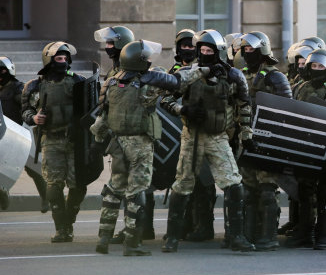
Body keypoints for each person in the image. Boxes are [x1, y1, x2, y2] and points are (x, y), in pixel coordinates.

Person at [160, 29, 255, 253]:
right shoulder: (188, 73)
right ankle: (172, 237)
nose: (204, 54)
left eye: (209, 50)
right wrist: (184, 109)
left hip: (218, 137)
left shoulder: (233, 76)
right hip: (191, 137)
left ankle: (236, 236)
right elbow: (165, 99)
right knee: (183, 185)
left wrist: (246, 134)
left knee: (233, 183)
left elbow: (244, 105)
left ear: (219, 52)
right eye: (201, 50)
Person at [91, 39, 187, 256]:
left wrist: (97, 143)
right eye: (148, 59)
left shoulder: (112, 83)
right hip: (140, 145)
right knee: (137, 192)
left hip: (117, 143)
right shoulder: (149, 84)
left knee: (114, 190)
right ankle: (132, 243)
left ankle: (103, 239)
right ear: (141, 61)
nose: (151, 61)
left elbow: (103, 116)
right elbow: (177, 82)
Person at [21, 42, 87, 242]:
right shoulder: (35, 86)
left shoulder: (80, 82)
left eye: (66, 58)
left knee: (78, 185)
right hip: (51, 140)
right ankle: (61, 228)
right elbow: (25, 111)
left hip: (75, 141)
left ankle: (69, 220)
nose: (64, 61)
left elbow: (92, 109)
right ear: (49, 60)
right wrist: (34, 118)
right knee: (54, 185)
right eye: (59, 58)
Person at [289, 48, 326, 250]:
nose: (317, 69)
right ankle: (305, 233)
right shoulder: (302, 87)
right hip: (306, 144)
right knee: (305, 190)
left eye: (321, 66)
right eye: (313, 66)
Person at [239, 31, 292, 251]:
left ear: (262, 51)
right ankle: (249, 233)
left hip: (268, 139)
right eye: (245, 50)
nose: (247, 53)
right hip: (246, 137)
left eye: (252, 50)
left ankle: (268, 235)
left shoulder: (275, 77)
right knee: (248, 187)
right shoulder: (240, 74)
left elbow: (288, 110)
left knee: (267, 187)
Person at [0, 57, 48, 212]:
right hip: (3, 135)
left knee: (34, 169)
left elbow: (29, 105)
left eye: (3, 71)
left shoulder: (18, 88)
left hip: (20, 134)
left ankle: (47, 199)